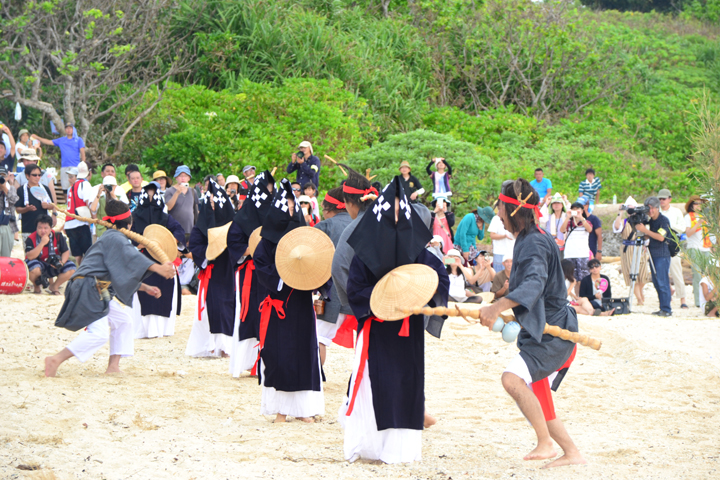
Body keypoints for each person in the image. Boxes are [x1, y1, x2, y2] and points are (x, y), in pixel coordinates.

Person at [339, 174, 449, 463]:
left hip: (407, 329)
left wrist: (419, 294)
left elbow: (439, 278)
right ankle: (370, 446)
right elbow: (356, 290)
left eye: (403, 209)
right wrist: (382, 298)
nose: (398, 215)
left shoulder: (419, 253)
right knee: (374, 384)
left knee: (405, 382)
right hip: (376, 329)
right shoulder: (365, 253)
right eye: (394, 209)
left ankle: (400, 450)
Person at [478, 178, 586, 469]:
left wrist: (499, 305)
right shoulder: (529, 238)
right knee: (537, 397)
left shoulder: (535, 241)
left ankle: (545, 443)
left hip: (555, 335)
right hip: (542, 332)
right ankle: (572, 453)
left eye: (500, 207)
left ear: (513, 211)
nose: (497, 213)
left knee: (511, 379)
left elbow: (535, 283)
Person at [44, 200, 175, 377]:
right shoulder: (115, 238)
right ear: (129, 224)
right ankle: (55, 359)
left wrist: (145, 288)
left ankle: (113, 366)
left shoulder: (113, 238)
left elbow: (119, 272)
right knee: (98, 334)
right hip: (88, 287)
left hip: (97, 287)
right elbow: (132, 258)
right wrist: (159, 268)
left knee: (123, 320)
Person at [253, 178, 324, 423]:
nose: (292, 211)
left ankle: (304, 409)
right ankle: (281, 410)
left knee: (304, 353)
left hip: (301, 305)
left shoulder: (305, 238)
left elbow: (318, 265)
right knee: (280, 354)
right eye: (287, 206)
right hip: (278, 306)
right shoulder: (266, 243)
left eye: (294, 207)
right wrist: (284, 278)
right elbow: (261, 267)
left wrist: (314, 280)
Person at [227, 170, 275, 378]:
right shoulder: (242, 217)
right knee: (249, 314)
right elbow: (234, 243)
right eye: (268, 190)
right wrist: (252, 249)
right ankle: (248, 362)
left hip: (271, 274)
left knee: (270, 315)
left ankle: (267, 363)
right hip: (249, 273)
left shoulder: (276, 215)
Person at [186, 179, 237, 357]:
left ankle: (227, 346)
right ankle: (210, 345)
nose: (214, 205)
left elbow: (238, 243)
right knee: (212, 307)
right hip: (212, 270)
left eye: (217, 201)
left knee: (228, 306)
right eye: (211, 201)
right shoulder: (201, 225)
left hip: (229, 271)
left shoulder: (233, 224)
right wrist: (208, 255)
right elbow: (195, 244)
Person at [132, 182, 185, 339]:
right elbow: (128, 234)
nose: (150, 198)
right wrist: (138, 243)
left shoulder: (165, 218)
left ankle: (162, 329)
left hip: (163, 259)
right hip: (142, 261)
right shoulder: (135, 218)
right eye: (147, 194)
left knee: (164, 290)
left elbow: (179, 231)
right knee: (144, 292)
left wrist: (170, 241)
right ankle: (144, 330)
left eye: (152, 195)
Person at [313, 187, 354, 365]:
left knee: (318, 336)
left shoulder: (326, 225)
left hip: (334, 292)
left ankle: (314, 376)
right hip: (363, 292)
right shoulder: (363, 223)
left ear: (329, 209)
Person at [635, 197, 673, 317]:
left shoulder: (663, 220)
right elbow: (649, 236)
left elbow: (661, 237)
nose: (650, 211)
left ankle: (667, 309)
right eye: (648, 208)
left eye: (652, 208)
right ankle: (662, 307)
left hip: (662, 255)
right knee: (656, 282)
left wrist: (644, 230)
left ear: (657, 208)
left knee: (663, 282)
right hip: (653, 254)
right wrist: (642, 232)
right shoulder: (650, 221)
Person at [613, 197, 652, 306]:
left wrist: (646, 243)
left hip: (640, 247)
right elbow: (617, 227)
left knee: (643, 274)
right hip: (628, 249)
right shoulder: (623, 222)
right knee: (632, 274)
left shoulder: (641, 221)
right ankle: (639, 298)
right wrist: (620, 212)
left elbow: (647, 233)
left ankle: (640, 292)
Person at [25, 214, 76, 294]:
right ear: (36, 228)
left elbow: (65, 251)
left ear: (50, 228)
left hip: (54, 263)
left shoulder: (57, 236)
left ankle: (54, 286)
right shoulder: (31, 238)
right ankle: (36, 286)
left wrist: (61, 262)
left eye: (46, 228)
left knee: (71, 267)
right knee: (33, 266)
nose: (43, 231)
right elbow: (30, 256)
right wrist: (42, 243)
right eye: (40, 228)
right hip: (38, 263)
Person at [658, 188, 688, 309]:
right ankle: (666, 298)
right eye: (660, 199)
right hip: (659, 243)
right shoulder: (656, 212)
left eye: (664, 199)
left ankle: (683, 299)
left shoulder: (676, 212)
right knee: (660, 273)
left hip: (673, 244)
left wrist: (669, 226)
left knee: (677, 272)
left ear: (670, 199)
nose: (661, 201)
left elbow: (682, 228)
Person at [31, 123, 85, 191]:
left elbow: (82, 152)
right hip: (64, 166)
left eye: (70, 128)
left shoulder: (79, 140)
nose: (69, 130)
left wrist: (83, 164)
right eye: (67, 128)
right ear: (65, 130)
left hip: (75, 166)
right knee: (65, 187)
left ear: (73, 129)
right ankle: (66, 201)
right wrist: (37, 137)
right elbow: (48, 142)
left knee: (76, 185)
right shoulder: (61, 140)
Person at [560, 201, 593, 295]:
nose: (575, 211)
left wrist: (581, 218)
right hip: (570, 253)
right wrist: (567, 217)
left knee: (583, 279)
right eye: (573, 209)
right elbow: (562, 230)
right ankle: (575, 297)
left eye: (577, 209)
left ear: (582, 210)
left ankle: (582, 297)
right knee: (571, 278)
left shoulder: (586, 222)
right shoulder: (569, 222)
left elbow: (590, 230)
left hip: (582, 254)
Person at [684, 195, 712, 308]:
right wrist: (699, 222)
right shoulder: (688, 217)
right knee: (697, 275)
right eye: (696, 203)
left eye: (700, 203)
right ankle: (697, 301)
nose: (698, 206)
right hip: (694, 247)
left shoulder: (707, 217)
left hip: (706, 248)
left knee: (708, 275)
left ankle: (708, 299)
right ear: (692, 205)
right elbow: (688, 233)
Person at [64, 162, 94, 264]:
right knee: (88, 253)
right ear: (89, 173)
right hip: (80, 222)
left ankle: (77, 276)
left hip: (69, 223)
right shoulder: (84, 184)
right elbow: (88, 203)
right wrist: (94, 219)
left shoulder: (72, 187)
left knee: (77, 255)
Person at [15, 164, 53, 241]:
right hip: (28, 226)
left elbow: (53, 205)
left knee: (45, 251)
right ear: (27, 176)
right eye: (34, 175)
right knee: (29, 251)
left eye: (39, 175)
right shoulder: (21, 190)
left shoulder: (45, 188)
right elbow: (17, 209)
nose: (37, 177)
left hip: (44, 228)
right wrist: (26, 209)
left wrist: (48, 206)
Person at [165, 165, 199, 241]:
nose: (183, 178)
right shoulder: (169, 191)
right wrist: (177, 193)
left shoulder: (193, 191)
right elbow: (168, 207)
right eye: (180, 176)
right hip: (175, 231)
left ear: (189, 178)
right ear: (176, 177)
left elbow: (195, 210)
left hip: (190, 230)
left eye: (185, 176)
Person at [0, 166, 19, 257]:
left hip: (7, 224)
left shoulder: (11, 188)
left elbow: (14, 201)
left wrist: (4, 187)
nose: (1, 178)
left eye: (3, 175)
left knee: (5, 255)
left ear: (7, 177)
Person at [578, 196, 603, 261]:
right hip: (578, 250)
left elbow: (599, 235)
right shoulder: (575, 219)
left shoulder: (594, 219)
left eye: (581, 205)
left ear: (586, 206)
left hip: (591, 250)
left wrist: (599, 251)